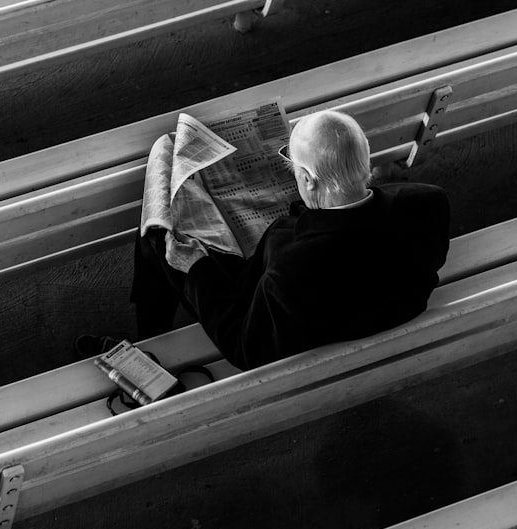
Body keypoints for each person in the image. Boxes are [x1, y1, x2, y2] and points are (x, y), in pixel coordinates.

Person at [127, 109, 450, 371]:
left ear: (308, 179)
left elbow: (245, 349)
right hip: (396, 307)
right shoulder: (428, 202)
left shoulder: (291, 263)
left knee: (157, 242)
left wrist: (198, 269)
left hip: (315, 336)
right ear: (365, 163)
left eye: (292, 165)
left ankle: (150, 337)